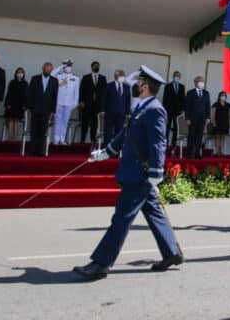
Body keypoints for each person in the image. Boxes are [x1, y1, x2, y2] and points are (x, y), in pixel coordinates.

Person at [74, 65, 183, 280]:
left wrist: (156, 171)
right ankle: (171, 253)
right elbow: (127, 133)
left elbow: (158, 143)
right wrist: (106, 152)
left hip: (140, 174)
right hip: (134, 170)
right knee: (154, 212)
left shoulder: (155, 109)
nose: (135, 85)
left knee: (121, 218)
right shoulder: (142, 107)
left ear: (145, 86)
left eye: (139, 81)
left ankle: (101, 263)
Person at [26, 63, 58, 157]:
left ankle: (40, 151)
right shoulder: (35, 78)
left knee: (43, 131)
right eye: (46, 69)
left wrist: (53, 111)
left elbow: (54, 97)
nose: (48, 71)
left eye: (50, 70)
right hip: (35, 109)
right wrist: (30, 107)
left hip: (47, 110)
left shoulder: (54, 81)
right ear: (43, 68)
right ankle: (32, 150)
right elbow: (30, 94)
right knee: (34, 130)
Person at [51, 60, 79, 145]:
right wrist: (61, 66)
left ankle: (62, 139)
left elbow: (76, 92)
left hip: (69, 103)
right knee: (57, 120)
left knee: (65, 121)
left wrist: (74, 104)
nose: (68, 68)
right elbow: (52, 74)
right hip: (59, 102)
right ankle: (56, 138)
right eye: (67, 66)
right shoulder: (59, 76)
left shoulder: (75, 78)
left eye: (70, 66)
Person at [79, 61, 106, 145]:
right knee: (85, 122)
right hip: (87, 103)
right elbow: (81, 90)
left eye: (98, 66)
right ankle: (82, 139)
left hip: (97, 104)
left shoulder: (102, 78)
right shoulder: (86, 77)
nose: (96, 67)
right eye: (95, 66)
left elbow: (105, 92)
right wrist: (81, 101)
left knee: (95, 123)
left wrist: (103, 104)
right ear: (91, 67)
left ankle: (92, 140)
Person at [184, 76, 211, 158]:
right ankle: (190, 153)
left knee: (199, 136)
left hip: (202, 118)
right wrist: (187, 118)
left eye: (202, 81)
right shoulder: (190, 93)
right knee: (191, 135)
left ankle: (197, 153)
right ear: (195, 82)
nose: (201, 83)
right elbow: (187, 106)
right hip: (192, 118)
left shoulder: (206, 93)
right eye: (199, 81)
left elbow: (208, 106)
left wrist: (208, 117)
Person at [102, 70, 131, 144]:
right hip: (110, 113)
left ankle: (116, 150)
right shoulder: (109, 86)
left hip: (121, 113)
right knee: (108, 131)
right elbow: (104, 99)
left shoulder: (127, 87)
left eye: (123, 75)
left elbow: (128, 101)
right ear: (115, 76)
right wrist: (103, 110)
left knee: (119, 132)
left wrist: (127, 113)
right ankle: (106, 148)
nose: (122, 77)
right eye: (121, 75)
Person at [162, 71, 186, 148]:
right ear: (173, 77)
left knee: (176, 127)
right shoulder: (168, 86)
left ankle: (173, 143)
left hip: (178, 110)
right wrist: (164, 109)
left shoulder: (182, 87)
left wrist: (183, 109)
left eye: (178, 76)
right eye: (175, 76)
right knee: (167, 126)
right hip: (168, 110)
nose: (177, 77)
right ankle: (166, 142)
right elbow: (164, 99)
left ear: (180, 77)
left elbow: (183, 99)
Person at [3, 67, 28, 141]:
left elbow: (27, 95)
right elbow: (8, 93)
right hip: (11, 104)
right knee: (10, 120)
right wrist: (7, 104)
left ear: (23, 74)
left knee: (17, 121)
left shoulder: (25, 83)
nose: (20, 74)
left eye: (21, 72)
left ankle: (15, 138)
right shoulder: (12, 82)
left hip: (20, 105)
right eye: (18, 72)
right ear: (16, 73)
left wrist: (25, 105)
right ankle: (10, 137)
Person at [211, 91, 230, 156]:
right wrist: (213, 122)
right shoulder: (215, 104)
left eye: (224, 96)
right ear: (219, 96)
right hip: (217, 122)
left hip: (225, 123)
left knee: (223, 137)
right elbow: (213, 114)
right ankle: (217, 151)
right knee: (217, 137)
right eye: (222, 95)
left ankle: (221, 150)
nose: (223, 97)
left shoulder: (228, 105)